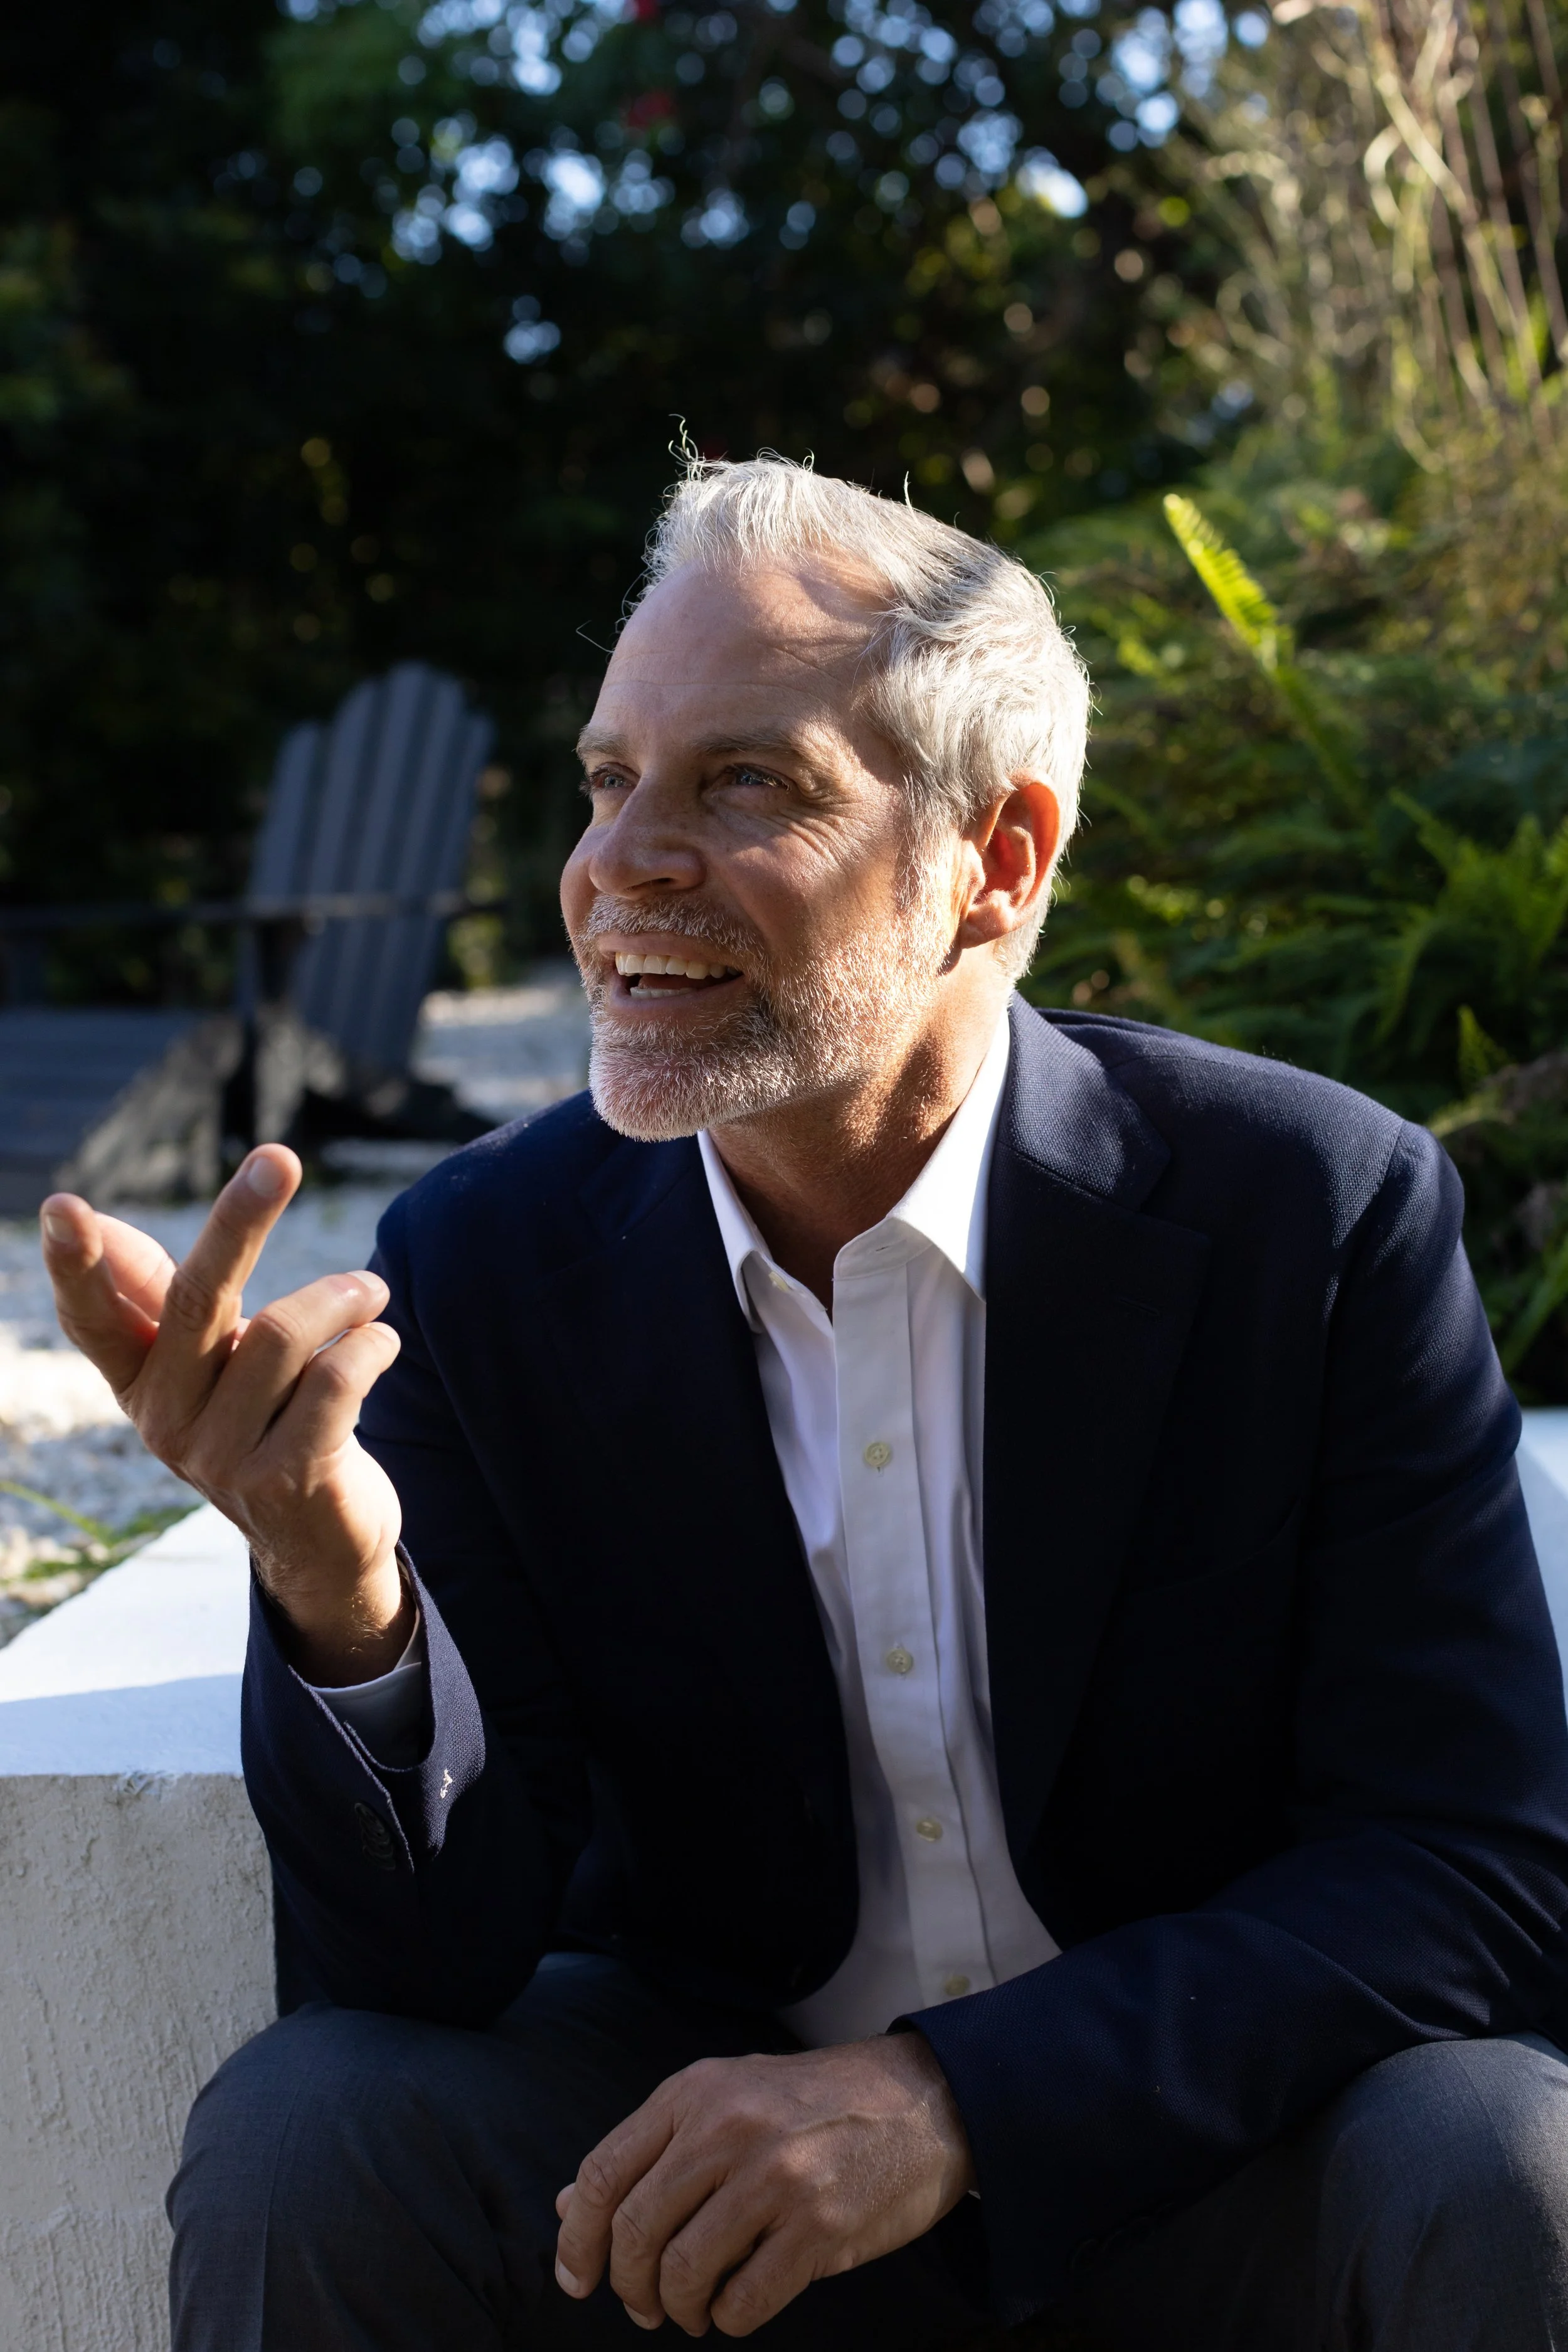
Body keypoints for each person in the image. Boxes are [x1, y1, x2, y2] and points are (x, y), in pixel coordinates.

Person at [42, 456, 1568, 2352]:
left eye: (741, 782)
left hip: (1190, 2157)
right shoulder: (480, 1261)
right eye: (609, 781)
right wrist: (342, 1596)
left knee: (1507, 2156)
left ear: (994, 860)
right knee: (316, 2130)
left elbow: (1466, 1864)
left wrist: (950, 2100)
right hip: (692, 2194)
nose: (615, 866)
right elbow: (418, 1968)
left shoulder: (1305, 1213)